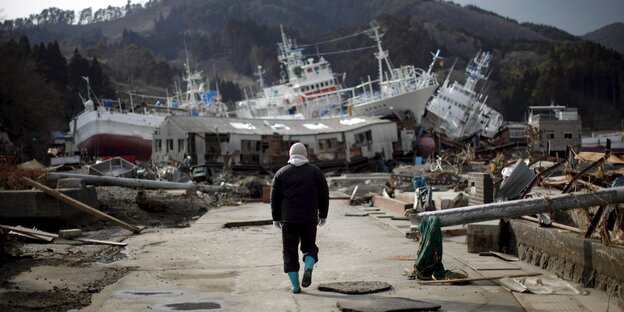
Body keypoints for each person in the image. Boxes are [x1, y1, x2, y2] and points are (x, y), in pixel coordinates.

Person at [271, 142, 329, 293]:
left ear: (290, 155)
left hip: (288, 220)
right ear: (305, 154)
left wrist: (276, 218)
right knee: (309, 246)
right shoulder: (315, 172)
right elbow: (324, 195)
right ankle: (308, 267)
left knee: (289, 251)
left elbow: (275, 198)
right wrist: (323, 215)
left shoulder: (281, 173)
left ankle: (295, 286)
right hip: (309, 218)